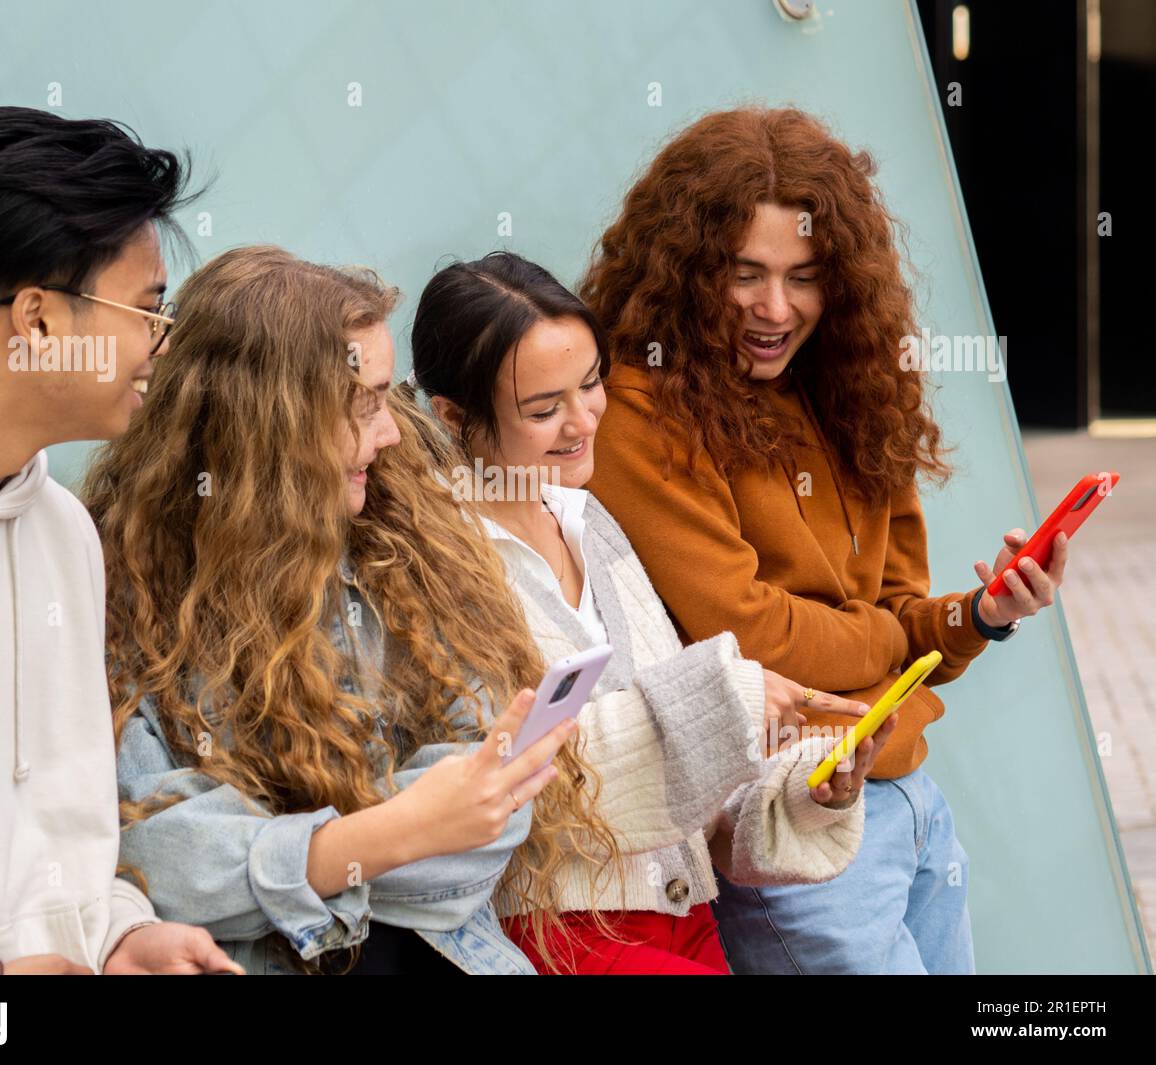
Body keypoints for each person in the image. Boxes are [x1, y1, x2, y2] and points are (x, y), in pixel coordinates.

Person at [582, 107, 1070, 974]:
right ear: (689, 271)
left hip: (910, 797)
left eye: (804, 276)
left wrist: (981, 614)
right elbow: (752, 637)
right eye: (745, 275)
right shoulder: (641, 411)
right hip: (791, 820)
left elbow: (904, 614)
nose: (776, 308)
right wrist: (897, 640)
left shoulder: (846, 392)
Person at [84, 245, 613, 974]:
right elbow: (153, 859)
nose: (392, 431)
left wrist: (286, 859)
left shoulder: (404, 540)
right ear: (269, 426)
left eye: (386, 399)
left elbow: (495, 803)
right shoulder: (119, 582)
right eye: (362, 406)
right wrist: (394, 830)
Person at [410, 250, 895, 975]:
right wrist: (723, 700)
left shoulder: (591, 521)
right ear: (452, 417)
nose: (582, 421)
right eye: (544, 408)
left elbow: (689, 794)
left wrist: (807, 788)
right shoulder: (433, 565)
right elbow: (498, 779)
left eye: (591, 384)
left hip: (685, 922)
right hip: (556, 936)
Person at [0, 106, 237, 974]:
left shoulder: (63, 528)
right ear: (34, 320)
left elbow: (62, 843)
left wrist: (119, 935)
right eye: (147, 310)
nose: (161, 343)